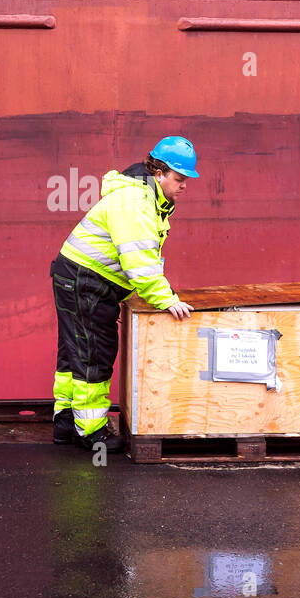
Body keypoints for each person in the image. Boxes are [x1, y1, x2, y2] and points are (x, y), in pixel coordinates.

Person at [49, 136, 199, 452]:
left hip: (78, 276)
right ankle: (91, 433)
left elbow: (145, 258)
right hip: (86, 281)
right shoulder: (135, 201)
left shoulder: (149, 198)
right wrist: (166, 299)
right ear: (159, 172)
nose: (185, 186)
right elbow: (140, 263)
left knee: (74, 349)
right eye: (180, 178)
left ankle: (65, 422)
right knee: (94, 353)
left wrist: (161, 289)